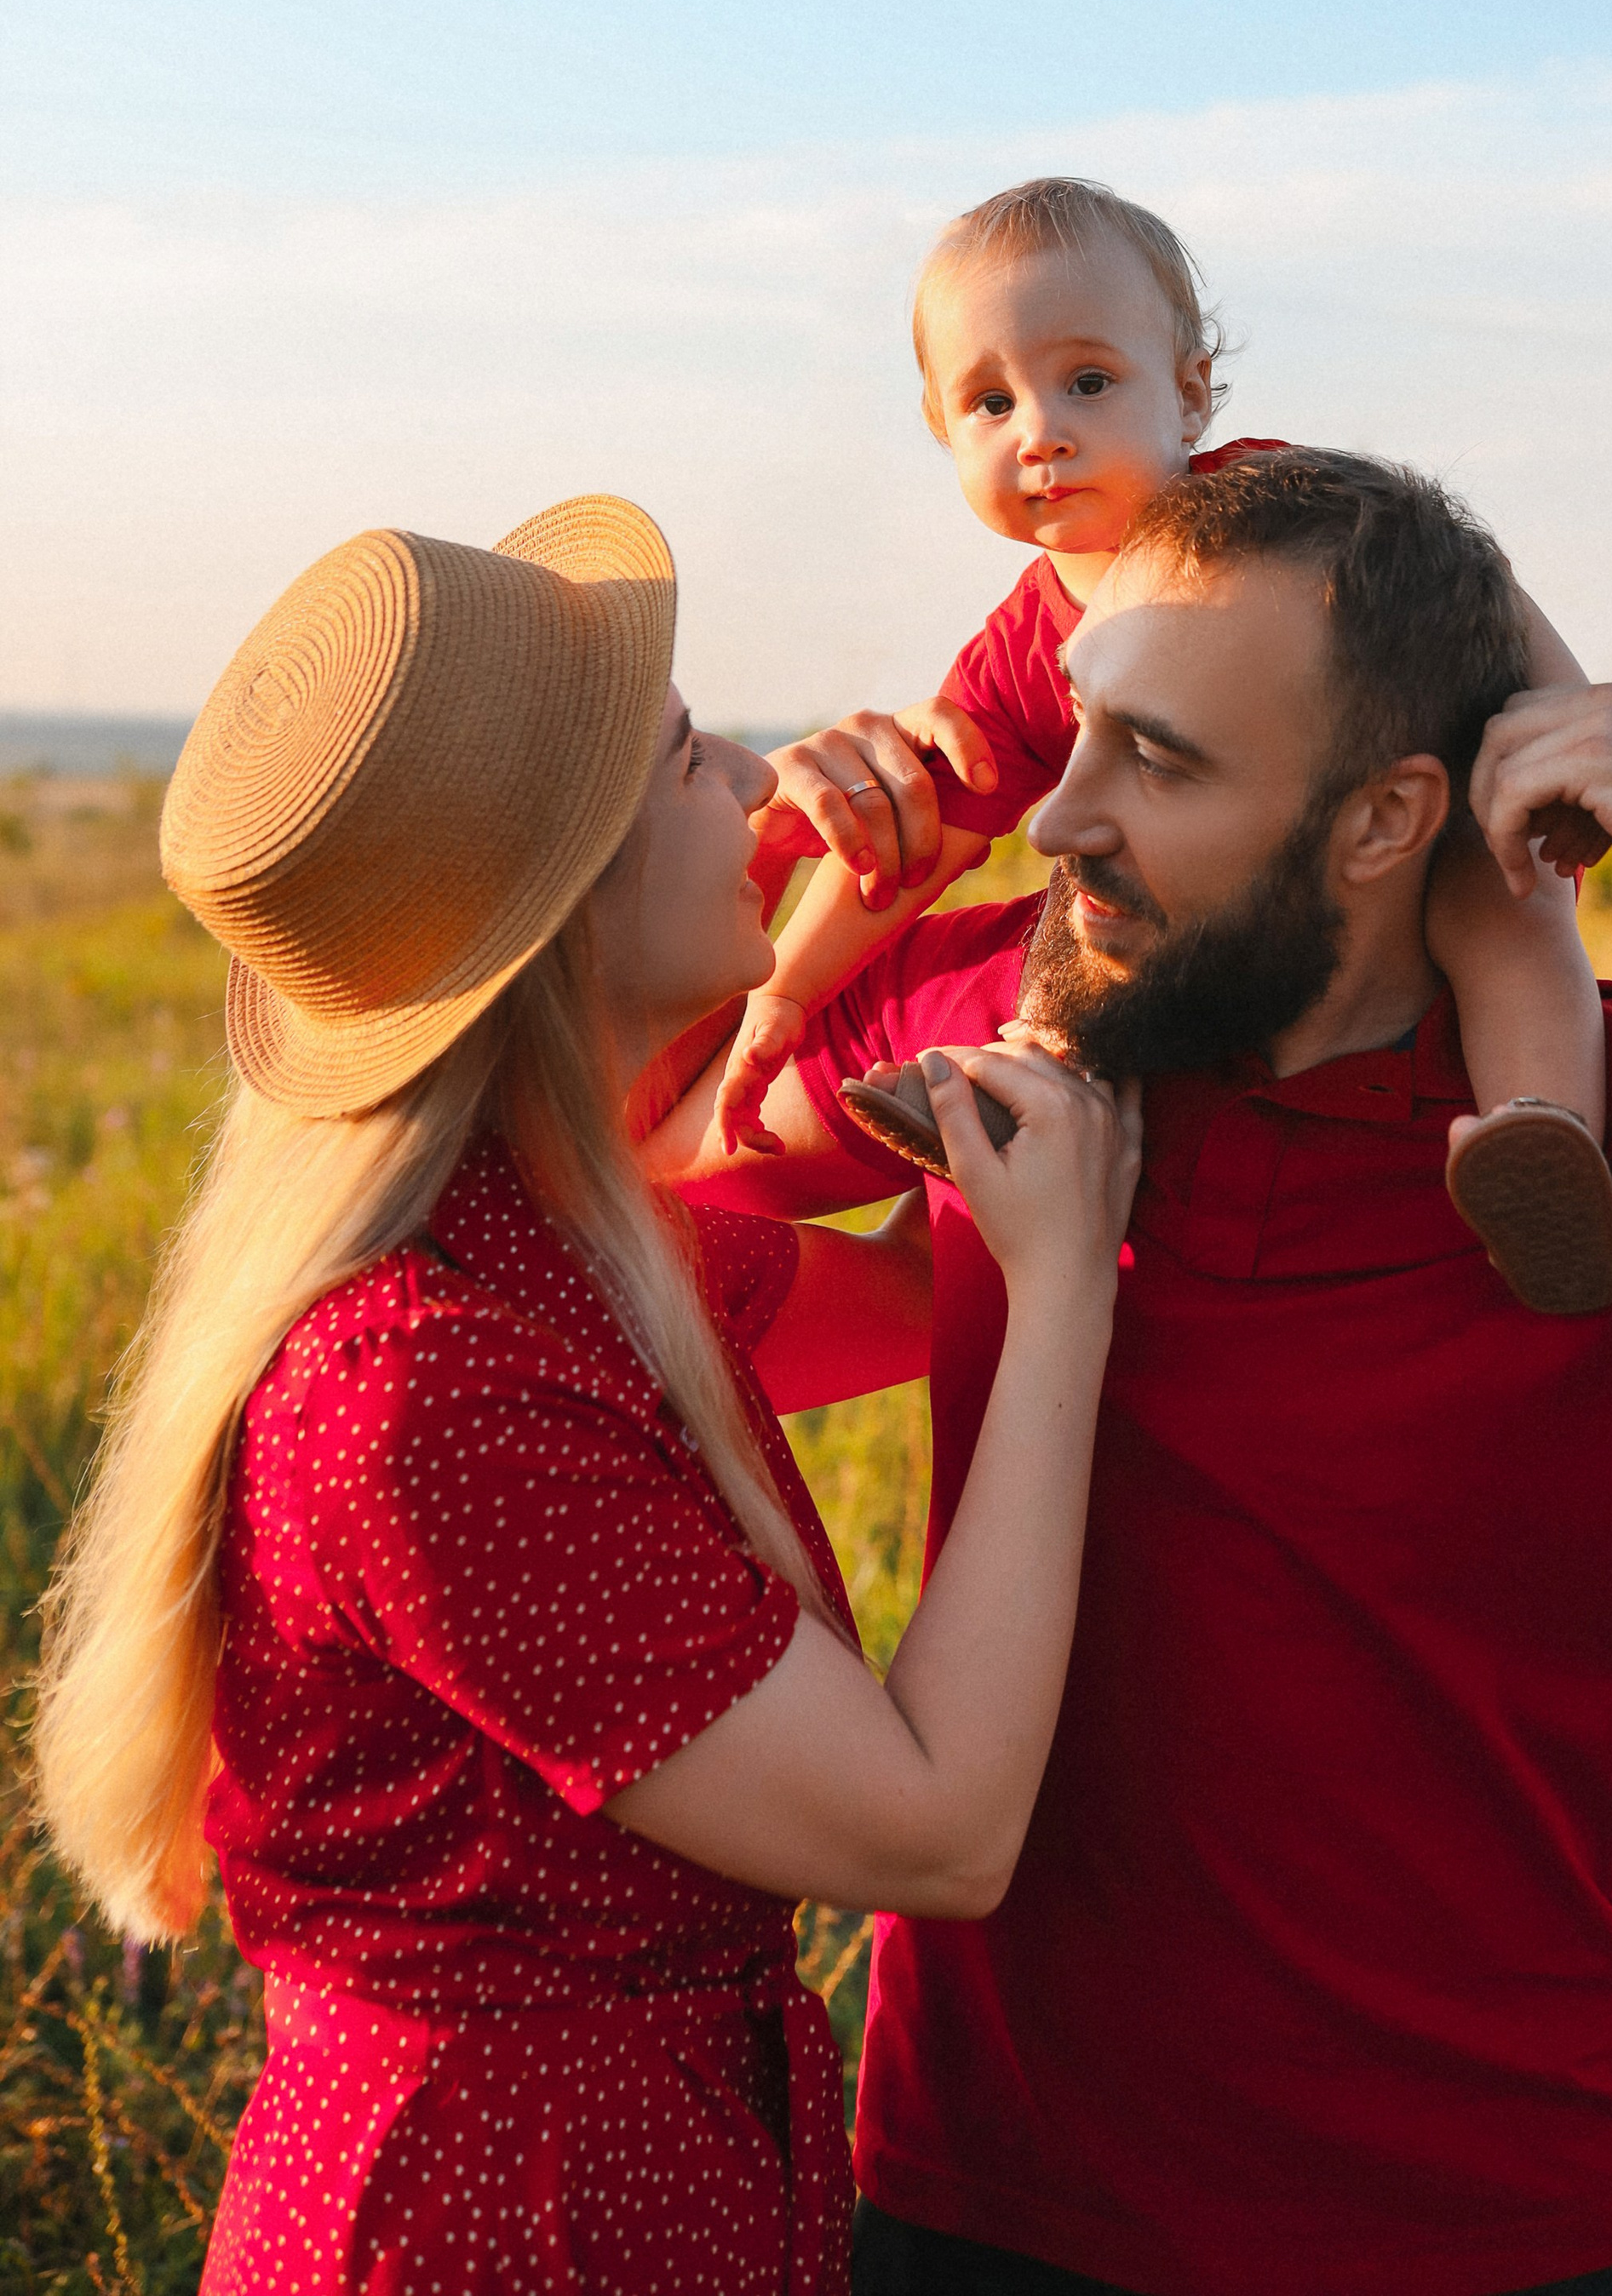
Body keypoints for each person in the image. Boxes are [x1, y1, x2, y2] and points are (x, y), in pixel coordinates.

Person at [680, 445, 1612, 2296]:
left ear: (1386, 820)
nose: (1060, 820)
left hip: (1489, 2234)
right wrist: (792, 854)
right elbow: (606, 1170)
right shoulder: (1016, 1014)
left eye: (1158, 761)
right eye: (1079, 735)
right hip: (987, 2217)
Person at [33, 495, 1138, 2296]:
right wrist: (1068, 1306)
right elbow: (933, 1829)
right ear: (565, 909)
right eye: (698, 761)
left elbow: (916, 1287)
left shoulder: (558, 1253)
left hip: (616, 2194)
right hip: (499, 2230)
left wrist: (899, 880)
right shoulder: (426, 1385)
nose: (767, 784)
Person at [677, 177, 1612, 1297]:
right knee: (1080, 909)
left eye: (1087, 382)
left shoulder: (1277, 507)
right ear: (940, 428)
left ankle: (1544, 1149)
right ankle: (1017, 1086)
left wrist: (1565, 732)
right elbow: (917, 833)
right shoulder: (1022, 646)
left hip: (1435, 814)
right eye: (990, 404)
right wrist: (788, 988)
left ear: (1188, 397)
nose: (1041, 434)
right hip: (1227, 914)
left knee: (1506, 921)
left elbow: (1486, 590)